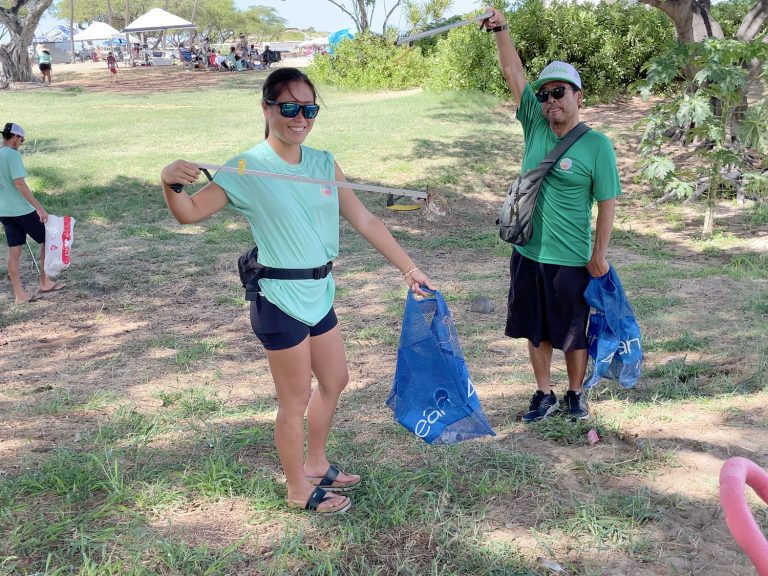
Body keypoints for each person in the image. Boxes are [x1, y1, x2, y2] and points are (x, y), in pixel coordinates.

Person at [160, 68, 434, 514]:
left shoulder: (324, 163)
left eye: (309, 109)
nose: (299, 117)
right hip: (279, 297)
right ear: (267, 108)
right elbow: (188, 213)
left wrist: (409, 268)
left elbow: (366, 220)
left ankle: (316, 461)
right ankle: (297, 490)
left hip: (319, 290)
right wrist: (170, 182)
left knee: (335, 380)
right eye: (289, 108)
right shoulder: (244, 168)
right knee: (295, 398)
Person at [482, 8, 620, 422]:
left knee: (574, 334)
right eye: (544, 95)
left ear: (579, 96)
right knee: (534, 328)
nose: (550, 101)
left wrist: (599, 255)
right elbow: (514, 75)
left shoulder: (598, 146)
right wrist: (502, 30)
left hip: (572, 259)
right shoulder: (537, 127)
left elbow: (608, 203)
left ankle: (576, 395)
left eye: (559, 92)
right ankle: (544, 393)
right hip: (528, 252)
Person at [0, 123, 66, 303]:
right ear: (15, 138)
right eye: (21, 140)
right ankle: (44, 282)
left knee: (14, 252)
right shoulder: (12, 155)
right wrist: (39, 207)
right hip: (21, 210)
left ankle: (19, 295)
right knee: (48, 238)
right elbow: (20, 184)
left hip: (4, 211)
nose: (21, 143)